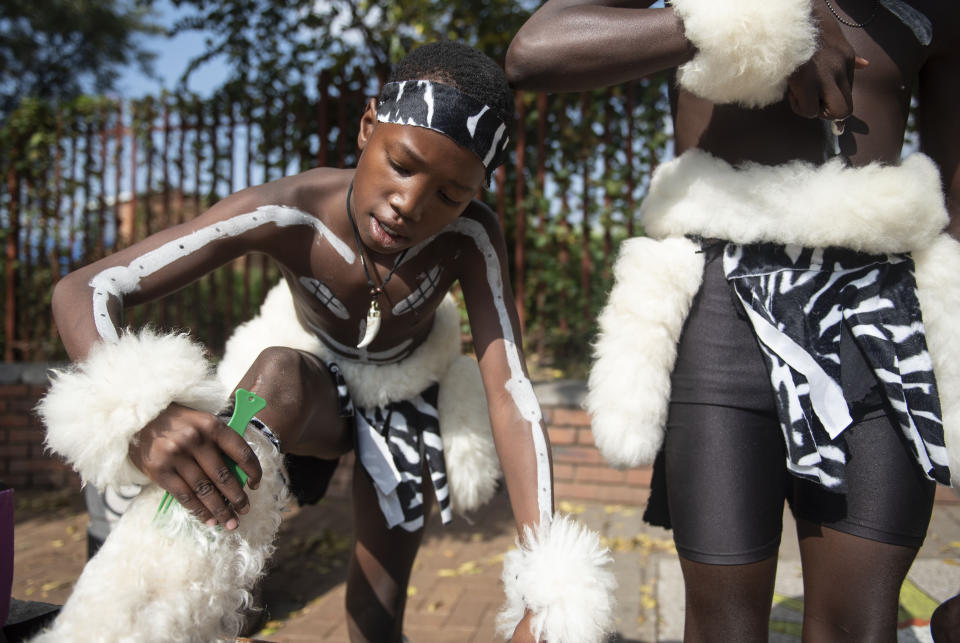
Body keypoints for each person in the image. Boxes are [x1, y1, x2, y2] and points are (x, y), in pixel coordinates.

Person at [35, 41, 614, 643]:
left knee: (374, 620)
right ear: (368, 127)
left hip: (404, 398)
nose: (409, 204)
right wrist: (143, 415)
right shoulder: (291, 211)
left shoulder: (471, 236)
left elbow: (512, 393)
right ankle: (141, 617)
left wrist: (550, 586)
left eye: (449, 194)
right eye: (403, 164)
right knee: (273, 382)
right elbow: (86, 288)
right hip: (308, 392)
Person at [507, 1, 959, 641]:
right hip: (723, 307)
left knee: (861, 623)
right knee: (723, 625)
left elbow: (955, 210)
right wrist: (765, 25)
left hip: (878, 326)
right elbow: (535, 52)